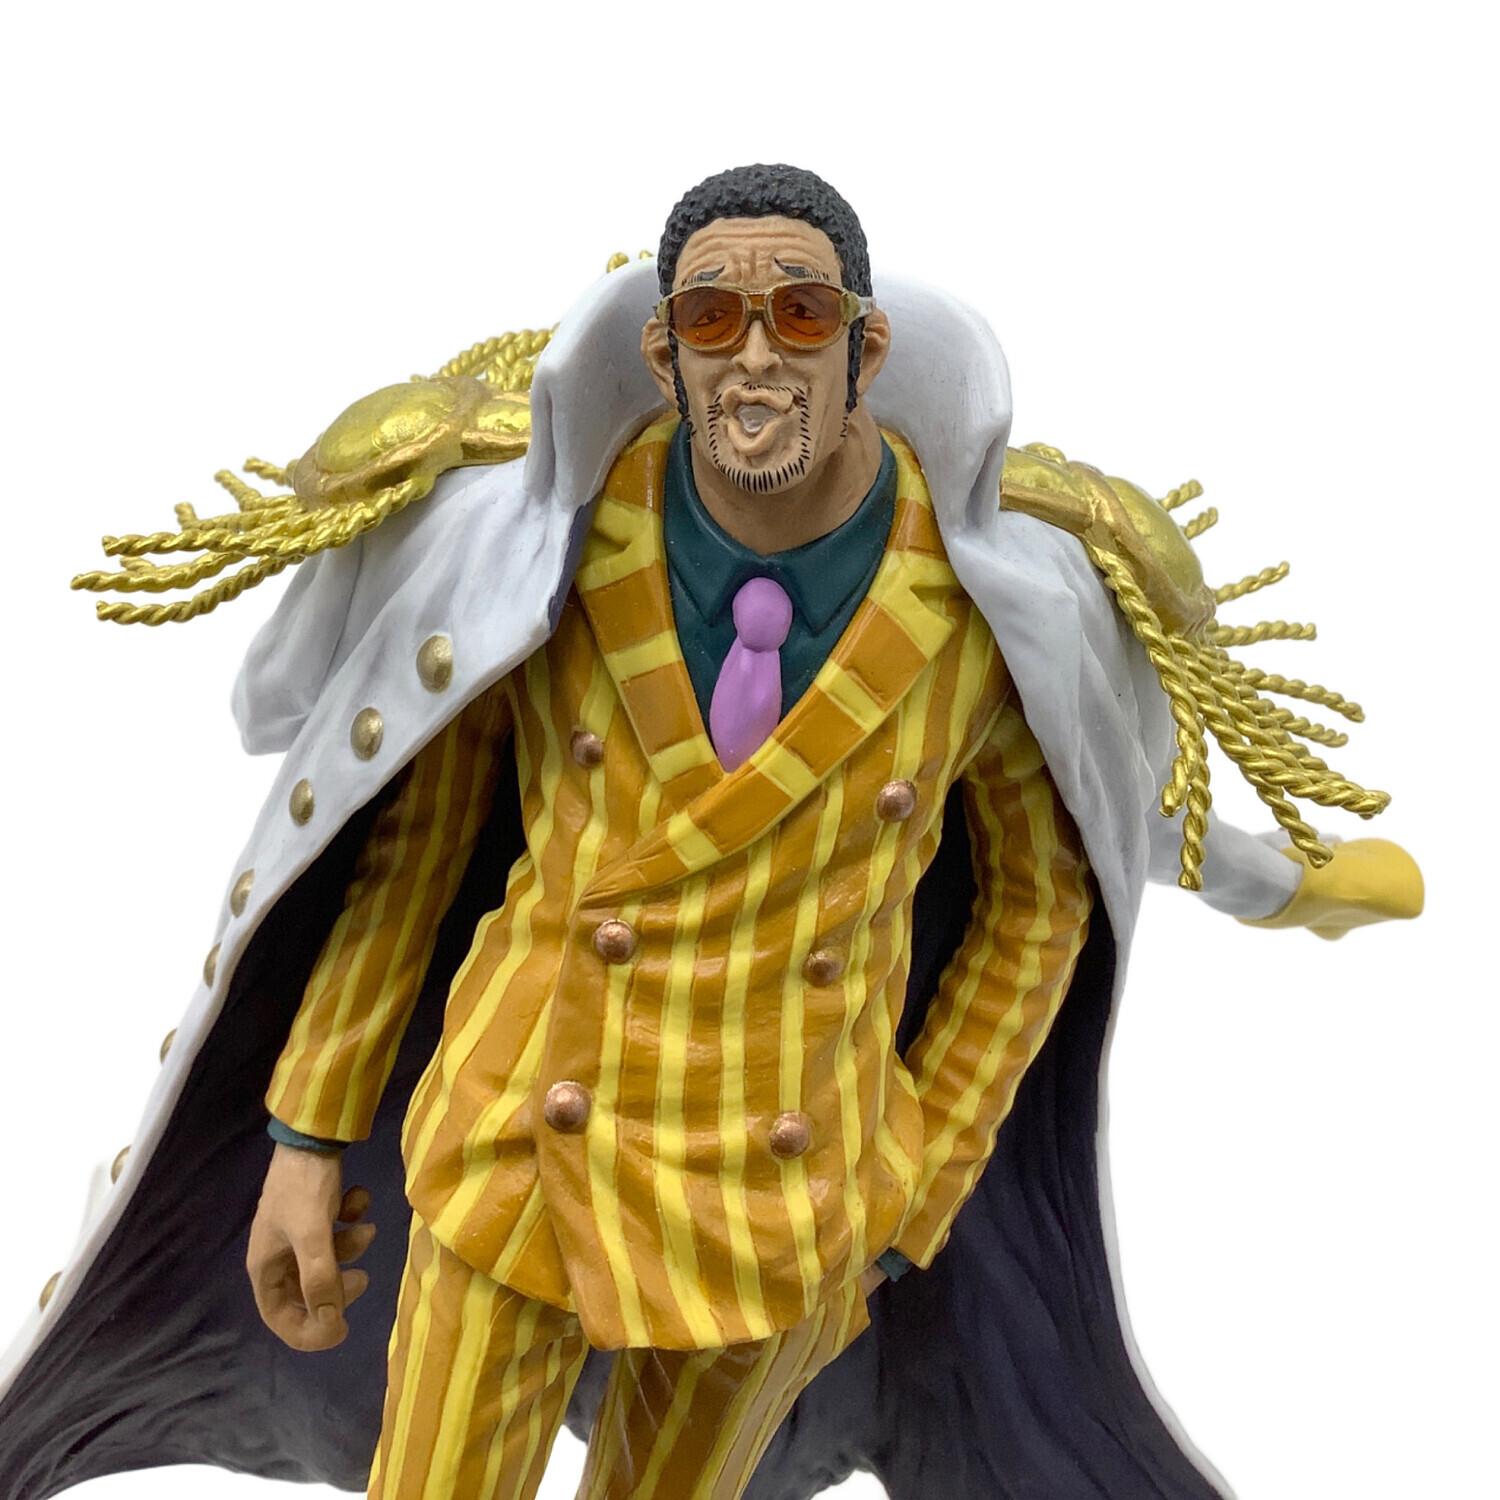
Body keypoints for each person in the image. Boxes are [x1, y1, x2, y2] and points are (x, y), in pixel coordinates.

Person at [0, 164, 1421, 1500]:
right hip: (517, 1140)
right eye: (710, 319)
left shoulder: (984, 619)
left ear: (864, 349)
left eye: (799, 315)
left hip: (783, 1194)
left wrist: (907, 1184)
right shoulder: (545, 560)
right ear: (662, 353)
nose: (755, 357)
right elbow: (413, 855)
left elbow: (1037, 910)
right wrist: (307, 1134)